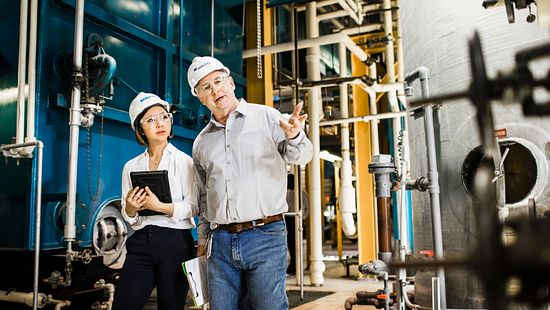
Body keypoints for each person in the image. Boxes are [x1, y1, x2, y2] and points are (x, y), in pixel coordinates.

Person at [188, 56, 313, 310]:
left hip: (265, 235)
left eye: (218, 81)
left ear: (231, 83)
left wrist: (296, 136)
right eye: (206, 87)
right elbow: (204, 197)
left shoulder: (268, 118)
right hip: (220, 241)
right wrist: (202, 241)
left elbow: (303, 157)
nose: (215, 90)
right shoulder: (201, 143)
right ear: (200, 98)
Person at [112, 92, 198, 310]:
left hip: (176, 242)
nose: (160, 123)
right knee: (123, 305)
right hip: (141, 242)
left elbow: (194, 206)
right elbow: (127, 213)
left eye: (163, 116)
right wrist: (131, 208)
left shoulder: (183, 162)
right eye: (150, 120)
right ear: (140, 129)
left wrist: (160, 207)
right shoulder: (131, 166)